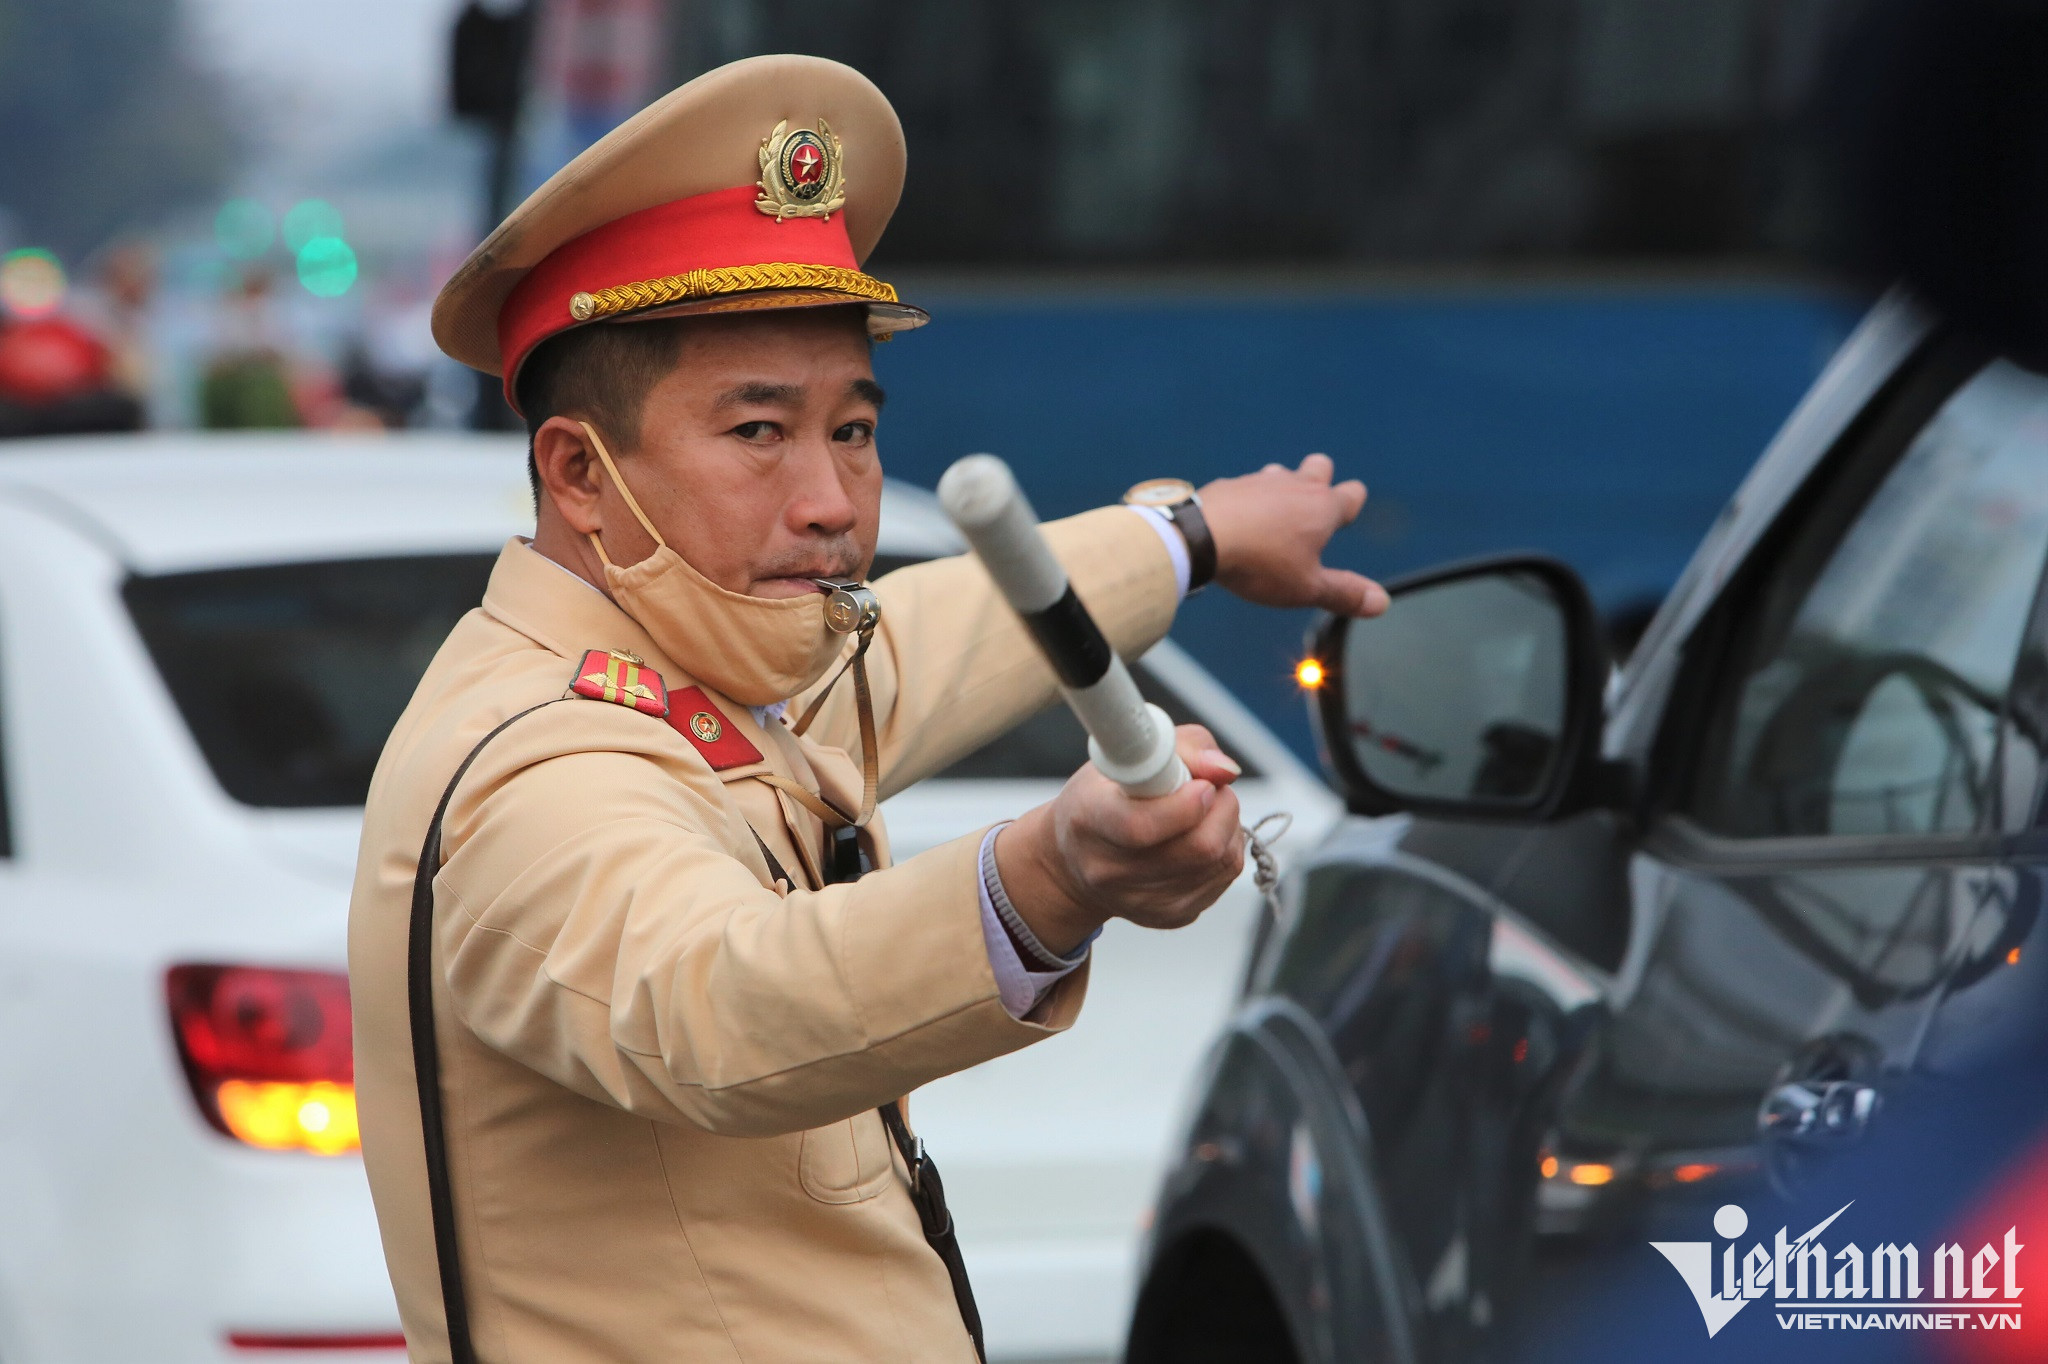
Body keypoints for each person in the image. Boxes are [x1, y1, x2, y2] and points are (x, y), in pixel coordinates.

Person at [350, 54, 1387, 1364]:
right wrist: (1054, 873)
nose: (834, 501)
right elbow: (716, 1004)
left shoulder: (702, 664)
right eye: (758, 432)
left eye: (851, 428)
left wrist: (1192, 536)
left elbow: (929, 639)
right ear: (580, 473)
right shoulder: (539, 759)